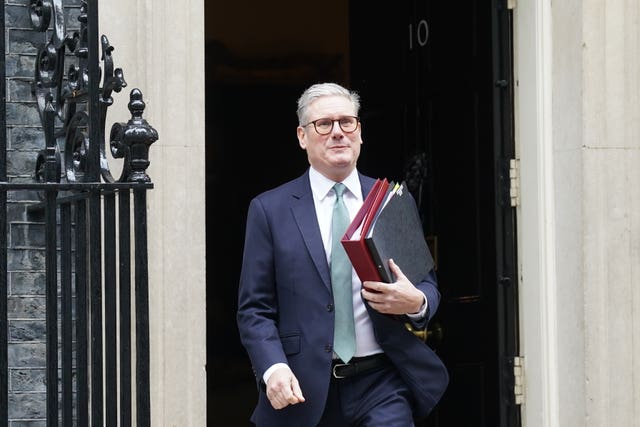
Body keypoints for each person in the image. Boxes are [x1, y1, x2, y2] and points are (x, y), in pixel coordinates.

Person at [236, 82, 448, 427]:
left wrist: (416, 303)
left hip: (382, 384)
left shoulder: (391, 201)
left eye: (346, 122)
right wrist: (273, 368)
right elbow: (254, 310)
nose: (338, 132)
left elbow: (427, 287)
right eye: (324, 124)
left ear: (360, 132)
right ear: (302, 136)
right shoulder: (269, 210)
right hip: (302, 390)